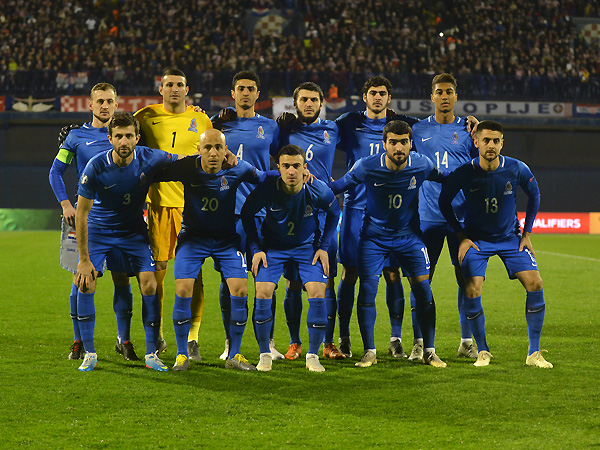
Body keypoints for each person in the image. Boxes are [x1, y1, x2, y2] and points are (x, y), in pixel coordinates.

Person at [154, 129, 276, 371]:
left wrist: (292, 172)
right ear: (198, 149)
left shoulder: (237, 168)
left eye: (218, 148)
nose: (213, 153)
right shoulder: (187, 167)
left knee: (240, 289)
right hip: (193, 239)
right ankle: (181, 355)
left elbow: (264, 177)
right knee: (183, 288)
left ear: (225, 150)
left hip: (226, 240)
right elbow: (154, 173)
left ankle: (235, 354)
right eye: (207, 147)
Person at [330, 120, 447, 368]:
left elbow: (447, 178)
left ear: (411, 143)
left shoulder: (422, 164)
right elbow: (337, 187)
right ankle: (369, 351)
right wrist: (308, 183)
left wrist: (476, 174)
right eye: (393, 142)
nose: (398, 148)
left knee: (424, 291)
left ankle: (429, 351)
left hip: (409, 237)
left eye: (403, 142)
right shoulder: (366, 166)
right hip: (374, 238)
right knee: (367, 290)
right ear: (384, 144)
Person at [439, 120, 552, 368]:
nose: (491, 145)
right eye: (486, 140)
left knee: (535, 283)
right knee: (472, 289)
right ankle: (483, 351)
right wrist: (461, 236)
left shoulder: (516, 168)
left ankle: (534, 353)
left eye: (496, 141)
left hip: (510, 239)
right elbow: (444, 202)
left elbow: (535, 195)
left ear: (502, 143)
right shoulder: (464, 172)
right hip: (477, 241)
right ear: (476, 142)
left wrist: (527, 233)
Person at [74, 112, 177, 372]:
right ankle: (90, 353)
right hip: (99, 230)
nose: (124, 141)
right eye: (118, 136)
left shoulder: (150, 157)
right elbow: (81, 214)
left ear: (137, 138)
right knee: (85, 282)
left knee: (150, 283)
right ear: (109, 139)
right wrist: (84, 260)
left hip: (132, 231)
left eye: (128, 136)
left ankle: (151, 353)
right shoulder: (96, 166)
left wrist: (213, 156)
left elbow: (183, 162)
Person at [49, 82, 139, 362]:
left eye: (109, 101)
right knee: (81, 279)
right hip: (85, 218)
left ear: (116, 104)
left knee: (122, 278)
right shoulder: (76, 137)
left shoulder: (125, 135)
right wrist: (66, 204)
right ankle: (79, 341)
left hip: (121, 219)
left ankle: (124, 340)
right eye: (99, 101)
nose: (104, 106)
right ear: (90, 105)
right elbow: (55, 171)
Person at [335, 76, 419, 359]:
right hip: (356, 210)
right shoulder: (348, 122)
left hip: (390, 215)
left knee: (392, 273)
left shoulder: (402, 125)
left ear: (389, 98)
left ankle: (395, 339)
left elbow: (435, 126)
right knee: (350, 273)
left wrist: (469, 122)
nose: (378, 97)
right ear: (365, 97)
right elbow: (319, 131)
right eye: (373, 93)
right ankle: (344, 337)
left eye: (383, 93)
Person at [134, 68, 213, 359]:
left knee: (194, 274)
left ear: (187, 89)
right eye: (169, 85)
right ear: (161, 89)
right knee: (157, 273)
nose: (174, 89)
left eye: (180, 84)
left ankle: (192, 337)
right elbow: (121, 135)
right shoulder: (145, 116)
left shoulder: (201, 119)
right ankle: (158, 334)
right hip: (159, 206)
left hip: (192, 207)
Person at [241, 145, 341, 372]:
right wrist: (256, 248)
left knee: (318, 291)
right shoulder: (268, 188)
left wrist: (323, 247)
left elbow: (335, 212)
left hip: (306, 248)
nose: (291, 171)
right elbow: (247, 213)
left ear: (305, 168)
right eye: (286, 166)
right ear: (278, 168)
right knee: (262, 291)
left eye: (296, 166)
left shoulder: (316, 188)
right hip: (274, 248)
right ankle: (265, 354)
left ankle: (312, 356)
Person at [211, 70, 284, 361]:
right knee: (229, 280)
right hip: (227, 213)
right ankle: (230, 343)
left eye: (250, 88)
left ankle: (269, 343)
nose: (245, 93)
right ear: (232, 93)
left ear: (257, 94)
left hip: (261, 213)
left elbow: (282, 162)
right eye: (240, 88)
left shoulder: (270, 127)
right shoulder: (218, 125)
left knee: (266, 280)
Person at [410, 73, 479, 361]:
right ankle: (418, 343)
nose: (445, 96)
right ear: (432, 97)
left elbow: (481, 164)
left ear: (456, 96)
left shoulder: (469, 130)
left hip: (461, 219)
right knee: (421, 279)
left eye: (449, 91)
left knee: (466, 279)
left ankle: (466, 341)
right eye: (439, 92)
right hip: (427, 217)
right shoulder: (417, 130)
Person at [277, 81, 345, 360]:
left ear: (321, 103)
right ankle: (294, 342)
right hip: (292, 217)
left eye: (314, 99)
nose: (308, 104)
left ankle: (328, 343)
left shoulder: (334, 129)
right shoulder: (284, 129)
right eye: (303, 99)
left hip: (324, 215)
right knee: (293, 282)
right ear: (295, 103)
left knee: (326, 281)